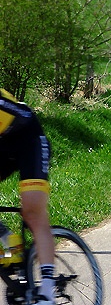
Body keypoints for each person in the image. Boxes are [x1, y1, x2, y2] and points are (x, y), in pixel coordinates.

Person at [0, 89, 56, 304]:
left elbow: (23, 116)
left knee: (32, 210)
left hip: (28, 140)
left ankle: (48, 292)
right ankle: (8, 241)